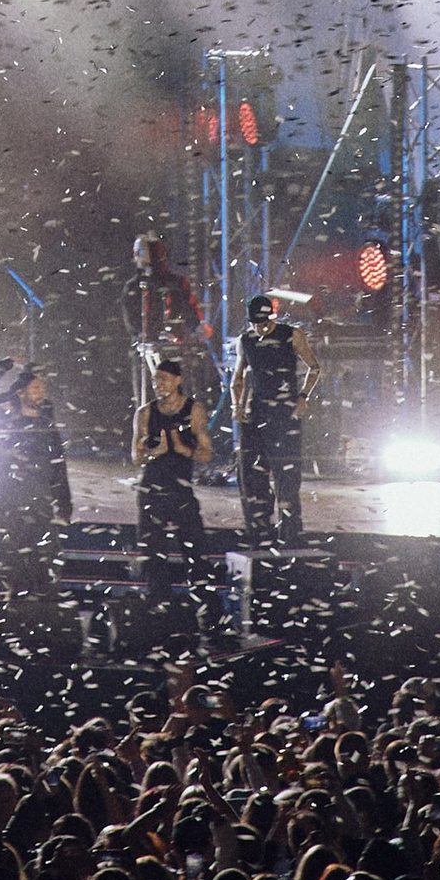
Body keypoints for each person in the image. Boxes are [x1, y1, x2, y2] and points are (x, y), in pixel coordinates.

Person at [0, 360, 73, 633]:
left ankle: (43, 624)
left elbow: (58, 468)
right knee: (1, 567)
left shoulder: (46, 427)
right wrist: (0, 368)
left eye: (43, 388)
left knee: (44, 565)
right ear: (20, 393)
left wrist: (64, 503)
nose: (41, 392)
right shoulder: (2, 423)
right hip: (9, 507)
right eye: (35, 387)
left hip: (40, 508)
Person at [131, 352, 214, 642]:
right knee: (153, 553)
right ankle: (158, 608)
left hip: (180, 490)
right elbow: (136, 456)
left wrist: (183, 450)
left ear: (178, 381)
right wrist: (154, 453)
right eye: (156, 381)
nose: (159, 385)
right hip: (152, 489)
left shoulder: (194, 410)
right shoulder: (146, 413)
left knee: (195, 550)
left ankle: (203, 610)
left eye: (164, 380)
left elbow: (206, 453)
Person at [229, 293, 310, 545]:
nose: (260, 328)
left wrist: (304, 396)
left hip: (284, 417)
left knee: (287, 478)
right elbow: (238, 378)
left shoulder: (291, 335)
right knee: (252, 477)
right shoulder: (246, 341)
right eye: (256, 323)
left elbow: (314, 366)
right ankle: (259, 533)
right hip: (255, 415)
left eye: (264, 323)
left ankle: (290, 533)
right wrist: (236, 404)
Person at [125, 236, 211, 415]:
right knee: (146, 402)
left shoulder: (175, 283)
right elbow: (130, 318)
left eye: (141, 250)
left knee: (174, 400)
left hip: (172, 350)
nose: (136, 255)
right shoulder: (133, 286)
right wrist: (140, 336)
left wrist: (197, 326)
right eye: (136, 251)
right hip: (144, 352)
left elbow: (189, 307)